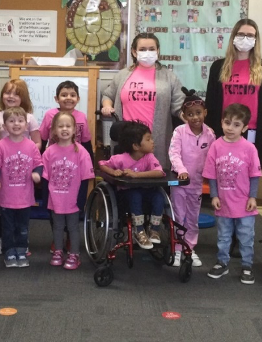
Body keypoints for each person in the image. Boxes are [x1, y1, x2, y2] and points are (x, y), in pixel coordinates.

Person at [205, 18, 262, 167]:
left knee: (249, 175)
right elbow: (211, 104)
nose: (245, 39)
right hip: (224, 132)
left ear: (256, 39)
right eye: (241, 34)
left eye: (250, 35)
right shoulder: (218, 67)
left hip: (253, 133)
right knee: (223, 174)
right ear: (233, 36)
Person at [101, 32, 185, 169]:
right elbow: (107, 95)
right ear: (134, 52)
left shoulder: (169, 77)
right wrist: (107, 106)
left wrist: (192, 120)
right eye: (142, 49)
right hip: (128, 142)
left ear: (158, 51)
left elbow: (179, 106)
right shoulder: (122, 75)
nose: (148, 52)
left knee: (154, 180)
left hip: (154, 141)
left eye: (152, 49)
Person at [203, 103, 262, 284]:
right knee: (223, 236)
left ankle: (246, 265)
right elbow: (211, 174)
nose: (230, 128)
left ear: (244, 128)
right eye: (227, 123)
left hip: (244, 203)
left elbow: (255, 175)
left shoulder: (249, 148)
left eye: (236, 125)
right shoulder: (215, 146)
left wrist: (252, 196)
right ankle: (222, 263)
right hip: (224, 202)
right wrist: (214, 195)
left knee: (246, 236)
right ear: (222, 123)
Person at [0, 79, 42, 255]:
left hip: (20, 166)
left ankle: (21, 240)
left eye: (16, 93)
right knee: (0, 204)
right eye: (7, 92)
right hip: (0, 165)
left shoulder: (29, 118)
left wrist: (27, 154)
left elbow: (37, 142)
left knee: (20, 205)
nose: (11, 96)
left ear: (23, 98)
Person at [98, 121, 166, 250]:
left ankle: (154, 230)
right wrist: (113, 171)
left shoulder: (149, 157)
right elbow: (102, 164)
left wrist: (137, 175)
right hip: (126, 196)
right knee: (135, 195)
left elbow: (159, 172)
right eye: (148, 139)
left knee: (159, 197)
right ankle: (139, 231)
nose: (152, 141)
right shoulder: (120, 159)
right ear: (135, 146)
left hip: (147, 193)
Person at [168, 88, 215, 268]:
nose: (195, 117)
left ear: (205, 113)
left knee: (193, 217)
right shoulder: (179, 132)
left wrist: (210, 175)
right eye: (190, 114)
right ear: (184, 116)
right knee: (179, 215)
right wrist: (181, 170)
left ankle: (190, 247)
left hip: (196, 183)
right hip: (180, 182)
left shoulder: (209, 134)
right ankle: (177, 248)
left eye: (198, 113)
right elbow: (174, 153)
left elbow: (212, 157)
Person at [42, 112, 94, 270]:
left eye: (68, 126)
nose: (64, 129)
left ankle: (74, 254)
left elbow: (86, 178)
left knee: (72, 227)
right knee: (57, 227)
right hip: (55, 199)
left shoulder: (81, 152)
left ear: (74, 130)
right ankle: (58, 251)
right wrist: (46, 198)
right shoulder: (49, 152)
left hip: (73, 200)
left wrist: (81, 200)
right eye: (60, 126)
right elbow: (45, 178)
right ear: (54, 131)